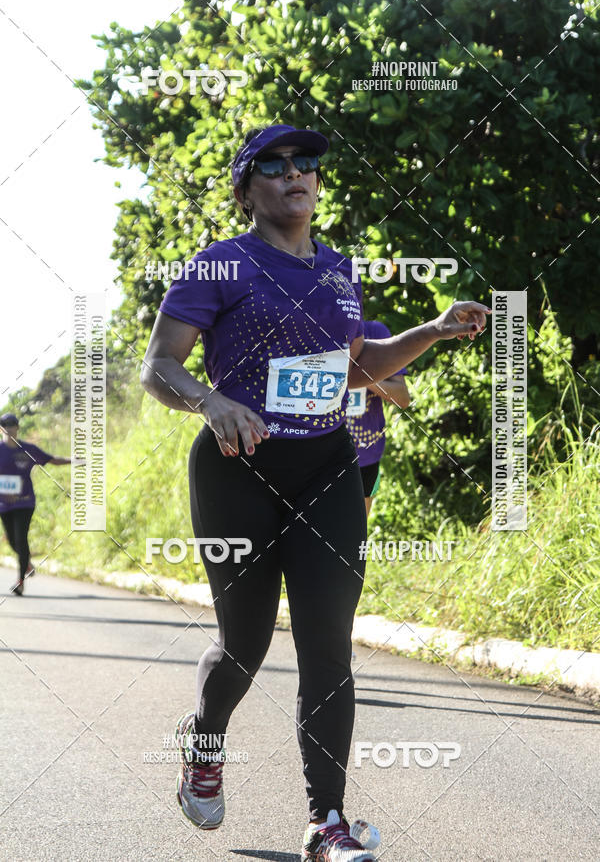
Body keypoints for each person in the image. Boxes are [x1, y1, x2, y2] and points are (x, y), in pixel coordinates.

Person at [140, 123, 489, 861]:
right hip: (239, 467)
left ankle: (325, 822)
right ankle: (204, 742)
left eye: (307, 164)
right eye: (274, 165)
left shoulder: (337, 272)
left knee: (328, 644)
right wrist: (210, 403)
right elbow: (158, 365)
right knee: (245, 643)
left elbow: (358, 369)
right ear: (247, 189)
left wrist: (431, 329)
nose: (295, 174)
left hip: (327, 466)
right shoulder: (219, 266)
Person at [0, 413, 72, 596]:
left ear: (17, 427)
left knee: (21, 538)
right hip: (4, 504)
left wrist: (73, 460)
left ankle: (20, 582)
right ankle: (28, 563)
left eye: (12, 424)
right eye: (4, 425)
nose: (9, 428)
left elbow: (51, 459)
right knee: (13, 541)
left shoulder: (27, 449)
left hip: (24, 503)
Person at [346, 319, 410, 517]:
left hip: (364, 455)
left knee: (354, 538)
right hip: (317, 453)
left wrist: (361, 375)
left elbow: (402, 398)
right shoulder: (313, 328)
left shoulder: (375, 332)